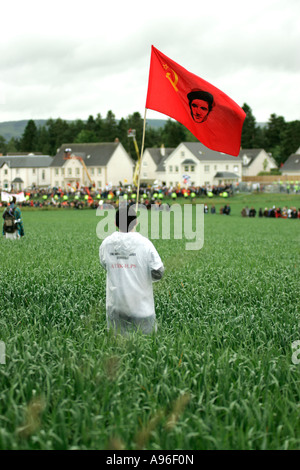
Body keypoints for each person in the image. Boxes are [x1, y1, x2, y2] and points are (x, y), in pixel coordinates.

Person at [99, 204, 164, 336]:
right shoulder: (145, 244)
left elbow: (105, 265)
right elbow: (159, 271)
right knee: (145, 350)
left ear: (115, 223)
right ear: (136, 222)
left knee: (117, 348)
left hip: (116, 308)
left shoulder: (106, 243)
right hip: (142, 308)